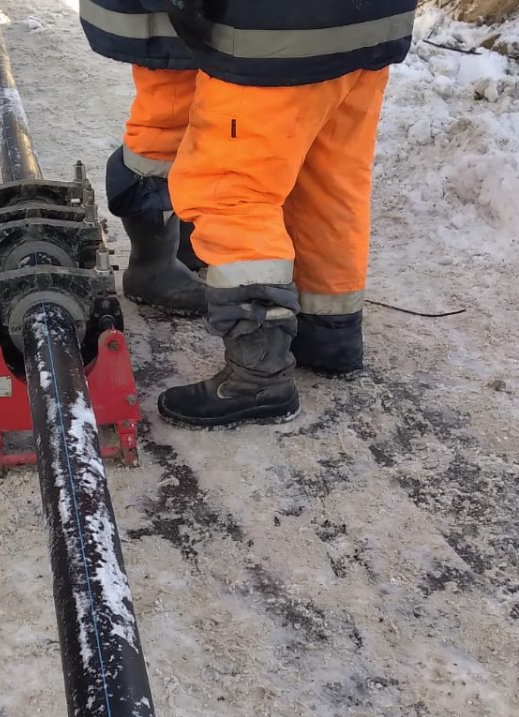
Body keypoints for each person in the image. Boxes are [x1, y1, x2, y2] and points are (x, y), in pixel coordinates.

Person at [80, 0, 420, 428]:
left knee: (229, 189)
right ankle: (327, 334)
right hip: (370, 23)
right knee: (327, 180)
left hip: (272, 30)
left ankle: (258, 377)